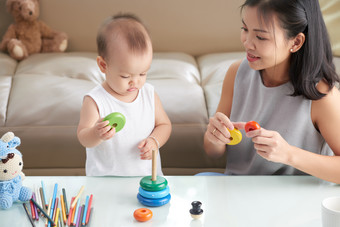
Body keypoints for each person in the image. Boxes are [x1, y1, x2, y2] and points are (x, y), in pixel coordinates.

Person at [203, 0, 340, 183]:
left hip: (294, 202)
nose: (247, 43)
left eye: (261, 37)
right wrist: (215, 137)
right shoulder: (236, 73)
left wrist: (288, 154)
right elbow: (212, 151)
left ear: (296, 41)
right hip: (237, 192)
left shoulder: (322, 96)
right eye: (245, 29)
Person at [77, 13, 172, 176]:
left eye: (142, 74)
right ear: (103, 65)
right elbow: (83, 137)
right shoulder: (95, 100)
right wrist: (95, 133)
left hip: (147, 179)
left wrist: (154, 141)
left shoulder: (148, 94)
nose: (135, 82)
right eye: (126, 76)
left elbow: (164, 125)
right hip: (104, 181)